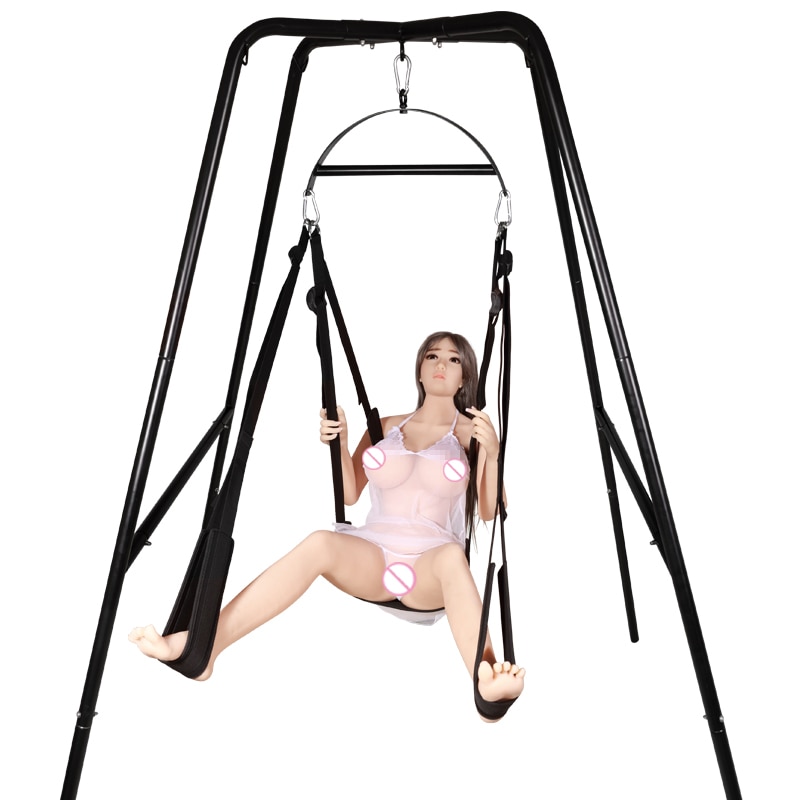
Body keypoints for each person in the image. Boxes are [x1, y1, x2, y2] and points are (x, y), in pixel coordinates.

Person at [129, 331, 524, 719]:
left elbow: (490, 511)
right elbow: (349, 493)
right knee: (320, 541)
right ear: (419, 369)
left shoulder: (472, 434)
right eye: (432, 356)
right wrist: (341, 441)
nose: (441, 365)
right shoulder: (384, 426)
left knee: (453, 557)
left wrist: (493, 453)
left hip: (430, 568)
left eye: (453, 359)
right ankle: (204, 647)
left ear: (464, 377)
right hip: (373, 556)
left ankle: (485, 678)